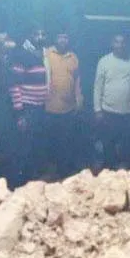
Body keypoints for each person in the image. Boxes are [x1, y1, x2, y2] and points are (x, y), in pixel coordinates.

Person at [93, 34, 130, 170]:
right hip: (108, 112)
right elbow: (98, 87)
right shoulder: (104, 61)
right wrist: (97, 109)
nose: (120, 45)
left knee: (129, 146)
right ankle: (109, 171)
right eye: (117, 42)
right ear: (112, 44)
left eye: (123, 42)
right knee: (108, 145)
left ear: (127, 44)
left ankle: (127, 173)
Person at [8, 27, 49, 185]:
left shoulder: (43, 55)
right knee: (22, 148)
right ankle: (16, 184)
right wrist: (20, 113)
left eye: (43, 34)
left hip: (39, 107)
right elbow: (13, 85)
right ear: (30, 36)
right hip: (26, 109)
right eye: (36, 34)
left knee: (33, 146)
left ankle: (30, 183)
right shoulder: (21, 54)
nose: (40, 37)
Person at [44, 32, 83, 179]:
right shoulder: (47, 54)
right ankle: (50, 172)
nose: (63, 40)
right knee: (51, 141)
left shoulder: (73, 57)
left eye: (65, 37)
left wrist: (79, 98)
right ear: (55, 38)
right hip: (49, 107)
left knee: (66, 141)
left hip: (68, 107)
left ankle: (63, 171)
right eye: (60, 37)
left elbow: (77, 79)